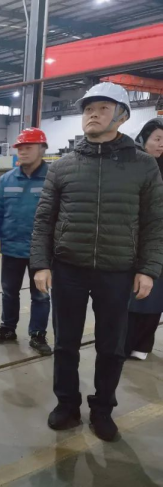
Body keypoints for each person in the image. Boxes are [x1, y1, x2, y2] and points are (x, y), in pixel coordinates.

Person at [31, 82, 163, 443]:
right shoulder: (63, 166)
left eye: (102, 108)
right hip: (68, 268)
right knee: (65, 344)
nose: (92, 114)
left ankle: (102, 409)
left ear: (122, 116)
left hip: (118, 270)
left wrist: (148, 269)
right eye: (88, 109)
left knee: (111, 347)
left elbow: (154, 222)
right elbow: (44, 220)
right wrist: (41, 264)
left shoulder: (143, 165)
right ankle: (67, 405)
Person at [0, 128, 52, 355]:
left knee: (41, 294)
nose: (22, 152)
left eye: (28, 147)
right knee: (9, 291)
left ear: (42, 149)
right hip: (12, 247)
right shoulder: (6, 179)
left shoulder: (52, 179)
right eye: (20, 148)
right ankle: (8, 328)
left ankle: (38, 334)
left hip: (41, 250)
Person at [125, 118, 163, 361]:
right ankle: (125, 342)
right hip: (133, 241)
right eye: (157, 139)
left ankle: (142, 345)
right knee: (131, 296)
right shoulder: (133, 166)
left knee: (155, 296)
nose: (161, 145)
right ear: (143, 138)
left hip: (158, 242)